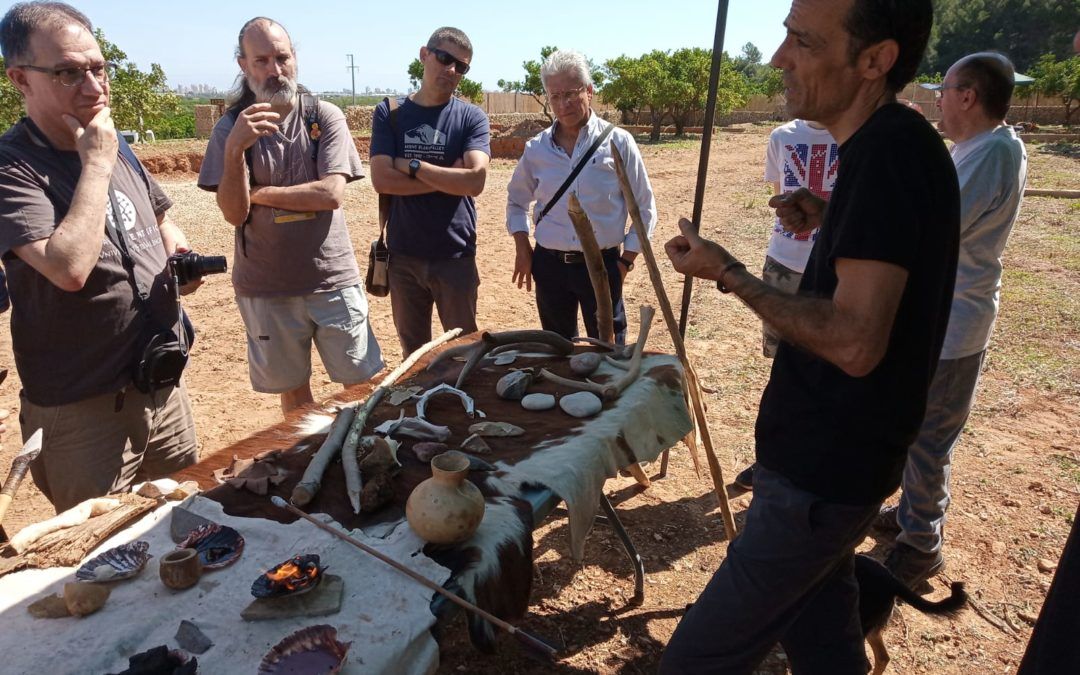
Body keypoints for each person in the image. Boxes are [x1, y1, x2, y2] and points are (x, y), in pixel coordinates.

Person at [660, 0, 959, 671]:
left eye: (802, 40)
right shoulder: (886, 147)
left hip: (819, 482)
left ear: (874, 61)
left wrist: (727, 271)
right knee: (824, 645)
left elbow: (856, 340)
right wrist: (830, 215)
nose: (777, 58)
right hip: (833, 475)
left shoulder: (887, 154)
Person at [0, 1, 199, 512]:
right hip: (83, 408)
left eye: (98, 68)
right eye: (69, 72)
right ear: (20, 79)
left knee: (184, 524)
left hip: (161, 385)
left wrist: (177, 253)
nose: (93, 88)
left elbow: (158, 219)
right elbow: (67, 269)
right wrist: (95, 163)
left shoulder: (108, 140)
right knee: (100, 562)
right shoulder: (14, 166)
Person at [876, 52, 1028, 588]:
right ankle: (909, 517)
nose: (937, 98)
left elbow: (931, 229)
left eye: (945, 90)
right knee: (919, 430)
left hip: (955, 325)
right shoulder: (980, 149)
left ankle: (921, 546)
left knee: (929, 439)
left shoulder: (988, 155)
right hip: (946, 319)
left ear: (968, 96)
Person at [199, 17, 383, 415]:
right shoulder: (230, 129)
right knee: (296, 400)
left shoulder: (324, 116)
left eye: (282, 57)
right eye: (261, 60)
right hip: (267, 285)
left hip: (331, 278)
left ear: (295, 57)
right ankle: (313, 468)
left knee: (361, 390)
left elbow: (330, 193)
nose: (275, 69)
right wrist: (234, 150)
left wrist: (260, 193)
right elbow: (234, 213)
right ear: (243, 65)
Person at [505, 49, 657, 344]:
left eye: (571, 94)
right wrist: (523, 248)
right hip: (549, 267)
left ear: (589, 91)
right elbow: (516, 201)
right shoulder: (536, 149)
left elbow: (644, 208)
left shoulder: (618, 142)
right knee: (557, 349)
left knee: (609, 352)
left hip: (603, 265)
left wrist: (624, 263)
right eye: (555, 96)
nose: (563, 104)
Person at [369, 27, 490, 357]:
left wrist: (412, 166)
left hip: (455, 255)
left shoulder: (471, 117)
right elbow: (382, 181)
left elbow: (476, 180)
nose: (451, 70)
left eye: (461, 66)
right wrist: (450, 177)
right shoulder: (390, 113)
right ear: (425, 54)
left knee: (465, 353)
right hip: (403, 256)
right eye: (444, 58)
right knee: (414, 356)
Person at [734, 118, 839, 490]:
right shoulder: (782, 137)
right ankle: (774, 462)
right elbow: (780, 195)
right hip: (785, 262)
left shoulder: (856, 132)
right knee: (783, 368)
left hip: (835, 267)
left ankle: (821, 460)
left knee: (830, 367)